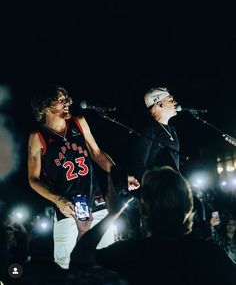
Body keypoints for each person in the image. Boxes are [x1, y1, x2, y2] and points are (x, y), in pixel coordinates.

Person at [27, 85, 139, 269]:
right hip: (67, 208)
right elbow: (33, 179)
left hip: (96, 202)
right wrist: (59, 200)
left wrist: (122, 176)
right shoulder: (38, 136)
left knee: (106, 258)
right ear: (45, 106)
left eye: (66, 98)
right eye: (60, 100)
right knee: (65, 264)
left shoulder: (78, 121)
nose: (67, 103)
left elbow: (97, 154)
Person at [71, 166, 236, 285]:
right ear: (189, 206)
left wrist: (113, 212)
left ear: (143, 208)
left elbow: (80, 259)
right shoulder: (209, 254)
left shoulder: (130, 254)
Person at [129, 86, 179, 182]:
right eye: (171, 100)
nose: (175, 103)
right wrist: (155, 187)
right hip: (158, 192)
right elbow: (138, 165)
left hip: (172, 190)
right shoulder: (148, 130)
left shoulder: (172, 131)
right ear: (160, 104)